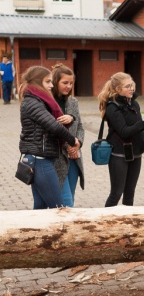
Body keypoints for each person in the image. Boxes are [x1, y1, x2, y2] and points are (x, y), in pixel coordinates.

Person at [18, 66, 80, 209]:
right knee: (58, 208)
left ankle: (33, 231)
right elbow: (54, 126)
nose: (51, 85)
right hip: (40, 161)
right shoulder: (33, 103)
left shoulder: (37, 101)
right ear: (38, 82)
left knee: (40, 208)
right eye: (48, 82)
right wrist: (73, 140)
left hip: (40, 159)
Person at [98, 73, 144, 207]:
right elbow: (124, 131)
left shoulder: (134, 104)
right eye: (127, 86)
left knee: (130, 193)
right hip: (119, 155)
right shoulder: (112, 107)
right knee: (116, 193)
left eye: (132, 85)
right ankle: (107, 222)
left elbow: (136, 126)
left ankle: (128, 223)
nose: (131, 88)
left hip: (136, 153)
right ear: (118, 90)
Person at [51, 64, 85, 207]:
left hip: (74, 157)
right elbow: (52, 130)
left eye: (71, 83)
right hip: (58, 158)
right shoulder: (49, 103)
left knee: (70, 196)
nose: (68, 86)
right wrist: (69, 146)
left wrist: (78, 143)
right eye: (65, 83)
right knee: (66, 201)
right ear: (55, 82)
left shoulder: (73, 102)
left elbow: (81, 127)